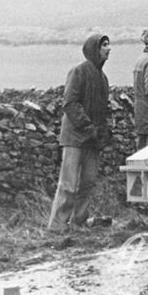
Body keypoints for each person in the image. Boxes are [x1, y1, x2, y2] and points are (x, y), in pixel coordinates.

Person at [48, 33, 111, 231]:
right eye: (104, 45)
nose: (108, 49)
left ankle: (79, 220)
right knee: (68, 184)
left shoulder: (103, 78)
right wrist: (87, 126)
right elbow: (70, 103)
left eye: (108, 45)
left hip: (92, 139)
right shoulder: (78, 72)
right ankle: (58, 224)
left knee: (88, 182)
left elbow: (102, 109)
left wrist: (102, 130)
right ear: (94, 49)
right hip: (75, 137)